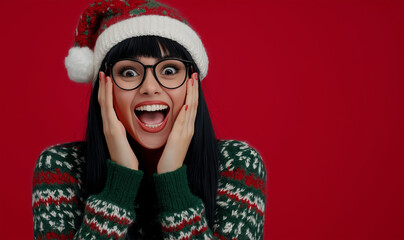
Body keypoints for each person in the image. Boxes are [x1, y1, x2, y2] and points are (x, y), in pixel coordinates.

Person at [32, 0, 266, 239]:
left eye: (170, 70)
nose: (150, 87)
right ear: (103, 88)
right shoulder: (62, 168)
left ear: (192, 83)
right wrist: (119, 184)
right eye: (129, 72)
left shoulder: (237, 164)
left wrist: (173, 181)